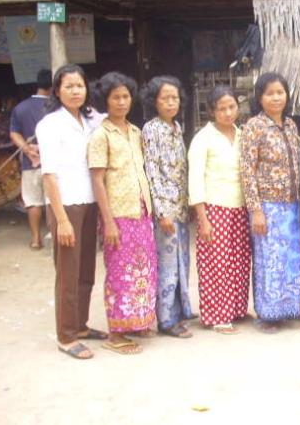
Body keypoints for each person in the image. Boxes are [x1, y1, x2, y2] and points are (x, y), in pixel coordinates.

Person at [35, 64, 107, 359]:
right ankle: (66, 336)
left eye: (80, 86)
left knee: (86, 269)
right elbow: (49, 176)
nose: (76, 91)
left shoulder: (91, 120)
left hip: (90, 201)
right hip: (65, 205)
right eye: (69, 86)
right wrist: (62, 220)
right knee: (68, 272)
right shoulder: (49, 125)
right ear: (57, 90)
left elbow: (115, 116)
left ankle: (80, 325)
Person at [88, 72, 158, 354]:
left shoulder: (135, 132)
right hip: (117, 215)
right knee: (119, 273)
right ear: (105, 100)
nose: (121, 102)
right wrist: (108, 222)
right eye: (115, 97)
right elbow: (97, 180)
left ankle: (137, 321)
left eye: (125, 96)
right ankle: (116, 334)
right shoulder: (101, 135)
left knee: (142, 269)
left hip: (141, 212)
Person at [240, 72, 300, 333]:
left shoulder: (291, 125)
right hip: (268, 207)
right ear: (260, 97)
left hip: (292, 206)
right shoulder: (254, 126)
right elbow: (247, 170)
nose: (276, 98)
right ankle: (267, 314)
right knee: (270, 260)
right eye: (269, 93)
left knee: (290, 259)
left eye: (280, 92)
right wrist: (256, 210)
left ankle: (287, 309)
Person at [188, 86, 251, 334]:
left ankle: (236, 310)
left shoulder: (242, 134)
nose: (227, 113)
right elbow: (195, 179)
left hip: (240, 208)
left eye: (231, 107)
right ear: (212, 111)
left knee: (238, 262)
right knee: (217, 263)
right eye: (221, 109)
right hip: (215, 208)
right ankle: (218, 316)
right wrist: (202, 218)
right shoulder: (203, 138)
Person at [141, 76, 194, 339]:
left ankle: (179, 311)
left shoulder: (176, 127)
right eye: (165, 98)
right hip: (167, 210)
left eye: (175, 98)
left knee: (181, 261)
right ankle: (166, 319)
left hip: (180, 206)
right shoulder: (152, 129)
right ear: (155, 101)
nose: (171, 102)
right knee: (168, 264)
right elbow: (152, 172)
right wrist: (162, 212)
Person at [9, 69, 52, 249]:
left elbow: (14, 133)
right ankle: (53, 236)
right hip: (53, 162)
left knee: (33, 201)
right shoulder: (57, 106)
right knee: (52, 200)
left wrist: (27, 150)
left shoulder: (21, 108)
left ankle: (35, 239)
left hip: (30, 163)